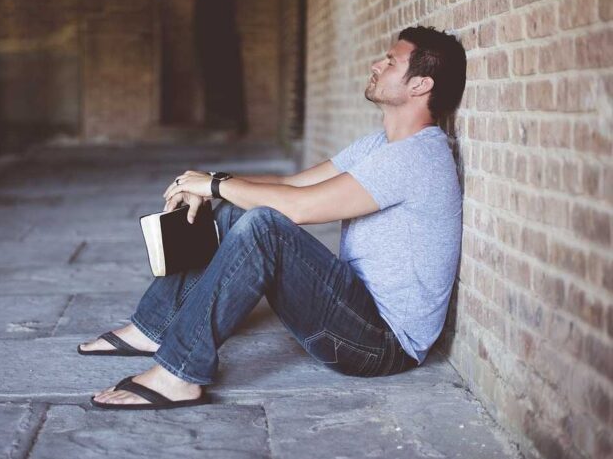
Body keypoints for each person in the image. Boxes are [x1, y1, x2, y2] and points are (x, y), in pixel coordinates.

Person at [80, 26, 467, 410]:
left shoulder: (417, 157)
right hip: (355, 308)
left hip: (380, 344)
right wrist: (209, 184)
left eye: (390, 61)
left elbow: (299, 209)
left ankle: (179, 372)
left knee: (264, 227)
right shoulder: (381, 144)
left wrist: (213, 185)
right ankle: (153, 328)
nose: (375, 64)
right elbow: (290, 183)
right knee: (238, 208)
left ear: (420, 85)